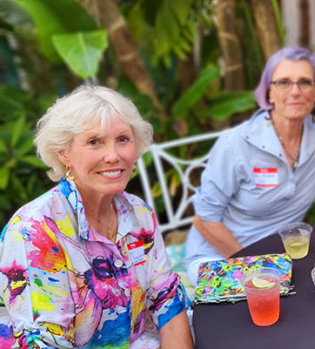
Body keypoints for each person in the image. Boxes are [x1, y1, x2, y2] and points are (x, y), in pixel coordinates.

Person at [0, 86, 193, 348]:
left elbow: (166, 300)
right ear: (64, 153)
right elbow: (45, 343)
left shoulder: (139, 214)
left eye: (123, 139)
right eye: (94, 142)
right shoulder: (33, 232)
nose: (113, 156)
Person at [185, 46, 315, 282]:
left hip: (281, 256)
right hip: (219, 255)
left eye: (305, 82)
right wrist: (254, 267)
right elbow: (204, 220)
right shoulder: (237, 143)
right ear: (269, 92)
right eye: (283, 82)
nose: (295, 91)